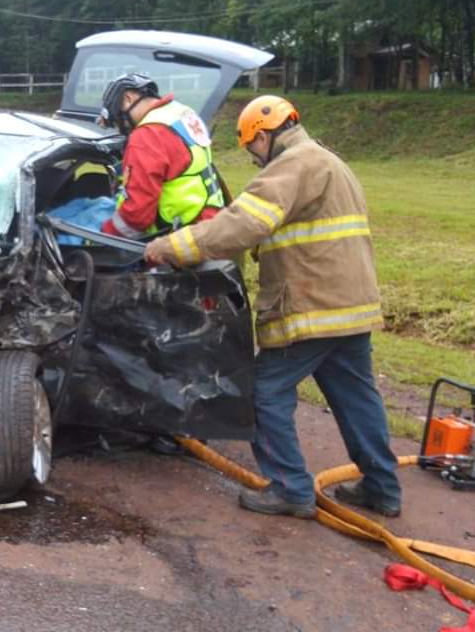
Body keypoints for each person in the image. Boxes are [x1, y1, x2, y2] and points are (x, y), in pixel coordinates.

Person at [144, 95, 401, 520]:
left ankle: (291, 489)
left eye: (252, 151)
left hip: (313, 306)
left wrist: (170, 247)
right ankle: (382, 488)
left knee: (264, 392)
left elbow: (242, 224)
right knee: (356, 397)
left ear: (262, 137)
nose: (255, 160)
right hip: (351, 305)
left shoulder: (293, 165)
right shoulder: (330, 161)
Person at [96, 72, 225, 238]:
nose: (124, 127)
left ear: (128, 98)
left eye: (120, 119)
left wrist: (103, 237)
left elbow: (136, 217)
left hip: (184, 238)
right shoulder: (181, 113)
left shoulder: (146, 135)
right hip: (214, 219)